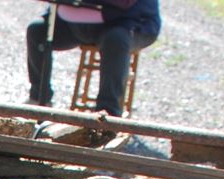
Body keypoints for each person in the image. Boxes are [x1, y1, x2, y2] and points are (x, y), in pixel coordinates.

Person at [25, 0, 162, 116]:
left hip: (127, 21)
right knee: (37, 31)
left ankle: (107, 114)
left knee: (115, 40)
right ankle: (39, 98)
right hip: (75, 20)